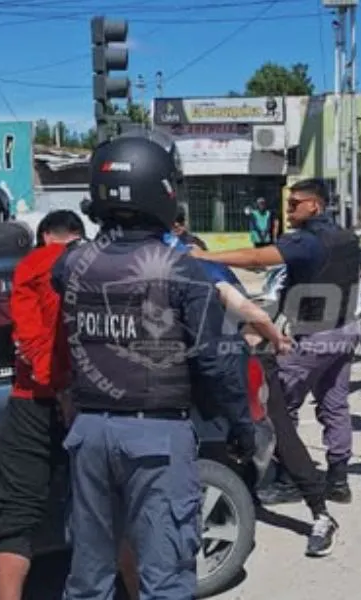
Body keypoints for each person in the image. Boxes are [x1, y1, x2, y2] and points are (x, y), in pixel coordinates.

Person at [53, 130, 255, 600]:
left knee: (88, 578)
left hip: (89, 434)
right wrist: (240, 425)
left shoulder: (71, 265)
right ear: (161, 191)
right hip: (157, 437)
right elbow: (215, 362)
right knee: (165, 576)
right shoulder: (182, 270)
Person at [164, 230, 341, 557]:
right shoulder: (196, 272)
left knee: (276, 435)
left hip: (237, 367)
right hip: (210, 368)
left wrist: (275, 340)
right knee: (223, 440)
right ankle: (237, 501)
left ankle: (320, 513)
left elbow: (253, 315)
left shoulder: (204, 274)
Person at [191, 178, 361, 505]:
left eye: (295, 203)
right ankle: (338, 479)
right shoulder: (346, 236)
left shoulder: (307, 241)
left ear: (315, 205)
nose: (289, 207)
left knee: (279, 407)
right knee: (336, 405)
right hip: (346, 329)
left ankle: (290, 479)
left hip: (315, 336)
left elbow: (258, 259)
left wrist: (207, 257)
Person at [0, 210, 98, 600]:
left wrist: (54, 386)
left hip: (32, 403)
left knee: (15, 523)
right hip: (96, 404)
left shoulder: (31, 265)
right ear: (79, 236)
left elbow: (29, 337)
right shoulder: (103, 265)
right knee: (108, 513)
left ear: (43, 237)